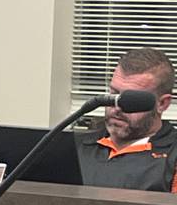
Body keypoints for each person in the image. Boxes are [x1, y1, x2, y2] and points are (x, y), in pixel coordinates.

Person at [76, 47, 177, 192]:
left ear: (162, 104)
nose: (117, 107)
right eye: (114, 94)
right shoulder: (78, 146)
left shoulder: (172, 157)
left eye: (131, 99)